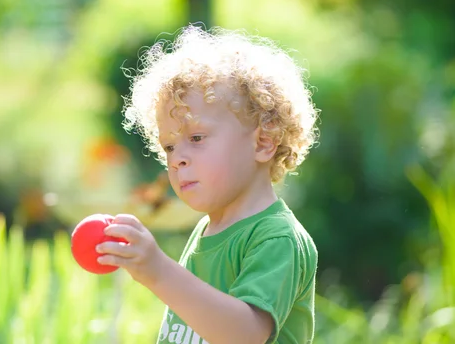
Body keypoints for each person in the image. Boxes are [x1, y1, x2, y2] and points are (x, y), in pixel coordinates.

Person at [95, 25, 320, 344]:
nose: (176, 160)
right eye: (169, 147)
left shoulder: (276, 237)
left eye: (196, 138)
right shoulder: (208, 229)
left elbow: (245, 334)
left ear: (264, 142)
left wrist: (159, 271)